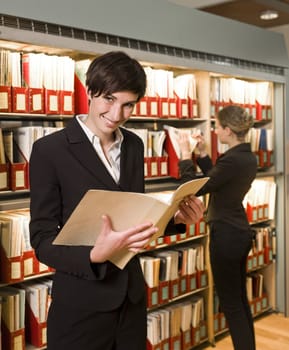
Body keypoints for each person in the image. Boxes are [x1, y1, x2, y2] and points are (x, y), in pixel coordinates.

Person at [29, 51, 205, 350]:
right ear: (90, 91)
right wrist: (95, 254)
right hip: (81, 305)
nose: (117, 114)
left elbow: (133, 218)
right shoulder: (50, 150)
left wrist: (175, 220)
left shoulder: (134, 145)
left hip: (131, 299)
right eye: (108, 99)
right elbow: (42, 241)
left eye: (128, 105)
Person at [178, 105, 257, 350]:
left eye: (217, 126)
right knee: (240, 300)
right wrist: (201, 155)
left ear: (228, 130)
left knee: (231, 303)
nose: (214, 130)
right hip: (239, 231)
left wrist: (184, 156)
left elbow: (196, 187)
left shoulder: (233, 160)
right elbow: (217, 180)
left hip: (226, 234)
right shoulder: (246, 156)